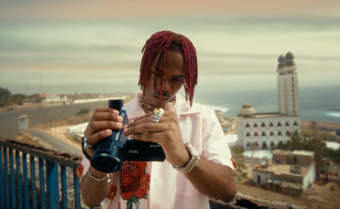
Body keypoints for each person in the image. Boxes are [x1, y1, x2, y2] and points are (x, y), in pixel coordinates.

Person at [80, 30, 236, 209]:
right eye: (157, 74)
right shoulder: (116, 119)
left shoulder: (201, 118)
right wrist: (99, 163)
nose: (164, 88)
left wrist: (185, 158)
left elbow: (228, 191)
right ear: (144, 68)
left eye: (176, 80)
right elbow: (90, 199)